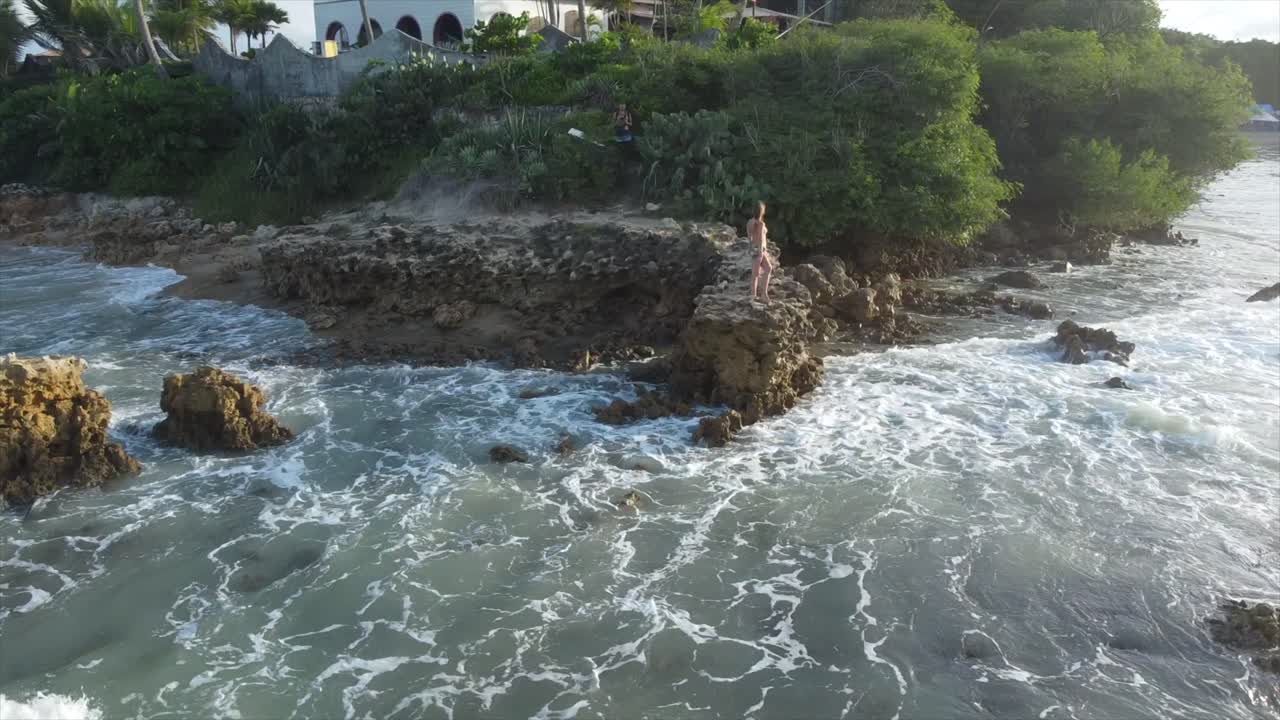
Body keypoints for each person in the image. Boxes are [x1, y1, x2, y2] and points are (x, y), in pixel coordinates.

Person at [747, 201, 773, 304]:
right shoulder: (761, 223)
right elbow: (761, 239)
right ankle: (755, 296)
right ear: (761, 211)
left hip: (754, 249)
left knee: (767, 269)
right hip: (760, 250)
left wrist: (750, 248)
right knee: (756, 274)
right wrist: (761, 252)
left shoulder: (749, 222)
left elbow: (750, 238)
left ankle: (762, 294)